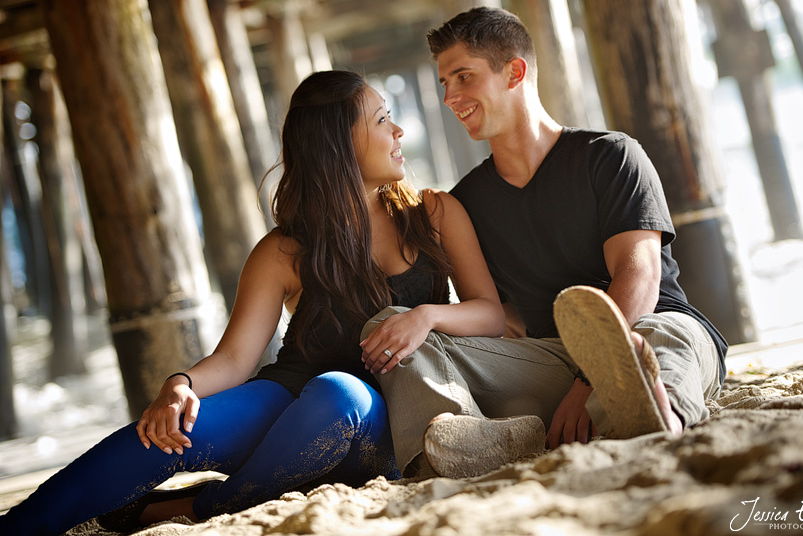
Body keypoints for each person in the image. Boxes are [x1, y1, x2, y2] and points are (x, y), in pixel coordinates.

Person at [0, 70, 504, 535]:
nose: (398, 133)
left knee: (338, 394)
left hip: (384, 416)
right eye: (382, 120)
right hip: (285, 397)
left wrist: (427, 316)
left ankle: (200, 507)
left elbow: (491, 314)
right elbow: (236, 359)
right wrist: (180, 385)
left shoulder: (434, 213)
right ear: (338, 145)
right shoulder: (284, 249)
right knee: (167, 431)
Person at [370, 7, 728, 479]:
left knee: (663, 342)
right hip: (552, 359)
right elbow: (502, 316)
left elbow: (639, 276)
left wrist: (589, 379)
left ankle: (657, 421)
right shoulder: (466, 203)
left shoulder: (611, 157)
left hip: (650, 328)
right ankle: (465, 434)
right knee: (401, 330)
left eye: (463, 77)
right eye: (444, 83)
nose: (450, 97)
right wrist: (426, 320)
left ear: (514, 72)